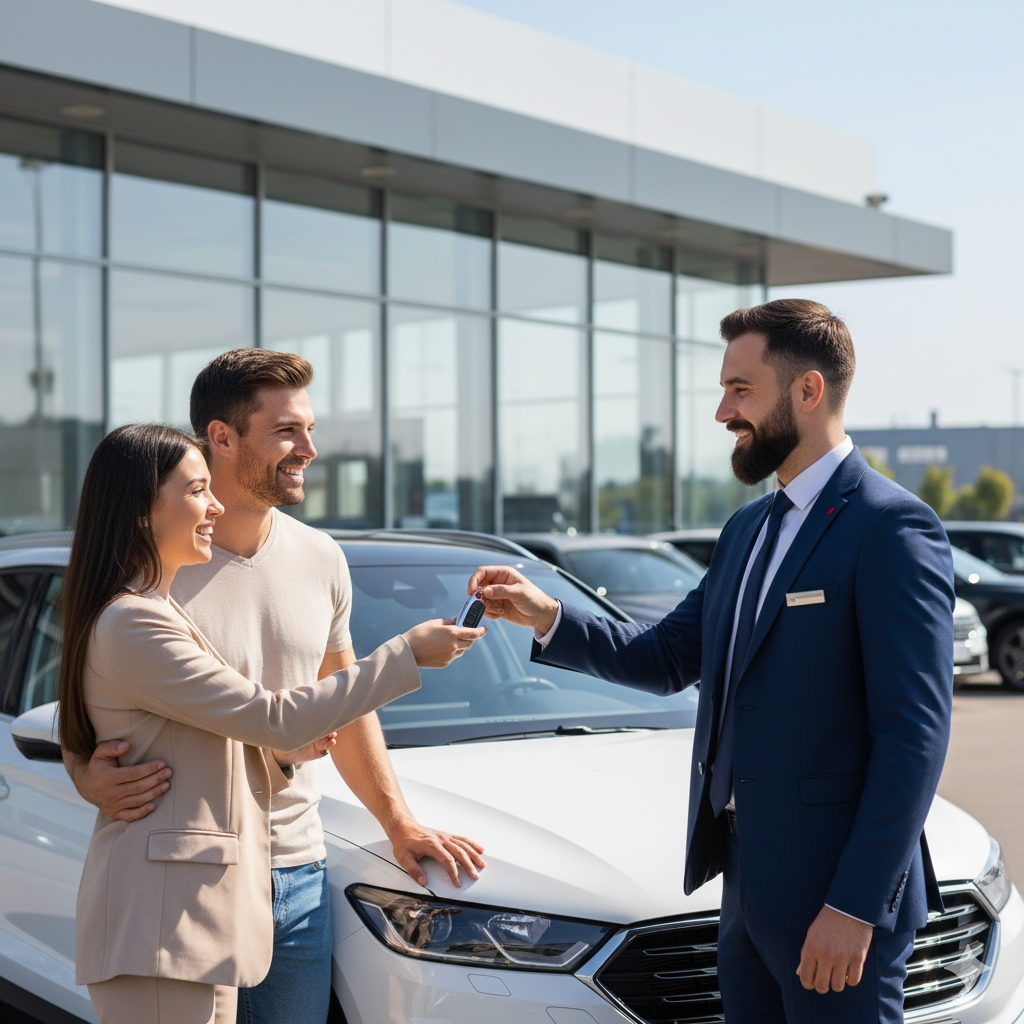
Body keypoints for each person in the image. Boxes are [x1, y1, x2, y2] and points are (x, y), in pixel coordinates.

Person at [466, 299, 955, 1023]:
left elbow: (914, 737)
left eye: (740, 389)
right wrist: (548, 616)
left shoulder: (891, 528)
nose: (723, 412)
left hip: (835, 901)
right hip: (746, 888)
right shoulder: (748, 529)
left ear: (808, 391)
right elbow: (666, 656)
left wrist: (854, 906)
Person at [65, 349, 488, 1024]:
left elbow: (343, 698)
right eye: (288, 430)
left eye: (309, 429)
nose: (310, 449)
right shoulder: (156, 582)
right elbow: (111, 701)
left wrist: (396, 821)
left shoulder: (319, 556)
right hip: (187, 880)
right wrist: (82, 768)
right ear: (222, 436)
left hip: (298, 872)